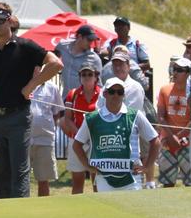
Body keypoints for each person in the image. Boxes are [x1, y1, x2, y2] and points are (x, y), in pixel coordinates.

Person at [0, 2, 62, 199]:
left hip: (18, 116)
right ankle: (6, 214)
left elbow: (56, 64)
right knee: (0, 173)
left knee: (19, 171)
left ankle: (21, 214)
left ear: (9, 21)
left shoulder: (25, 47)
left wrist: (31, 85)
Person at [72, 78, 159, 191]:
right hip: (104, 178)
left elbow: (155, 141)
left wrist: (147, 167)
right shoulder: (92, 118)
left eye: (120, 92)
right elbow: (77, 144)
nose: (116, 95)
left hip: (132, 178)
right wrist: (88, 166)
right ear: (105, 94)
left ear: (124, 95)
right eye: (112, 91)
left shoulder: (135, 115)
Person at [61, 59, 102, 194]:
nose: (86, 77)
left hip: (97, 141)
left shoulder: (103, 95)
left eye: (90, 74)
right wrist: (81, 136)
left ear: (96, 77)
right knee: (77, 181)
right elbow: (68, 119)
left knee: (97, 180)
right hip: (77, 140)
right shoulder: (72, 94)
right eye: (83, 75)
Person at [156, 57, 191, 187]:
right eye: (174, 69)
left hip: (188, 142)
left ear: (189, 73)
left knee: (190, 183)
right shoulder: (164, 90)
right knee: (167, 183)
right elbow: (160, 116)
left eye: (179, 70)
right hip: (167, 141)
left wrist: (179, 137)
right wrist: (172, 137)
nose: (175, 73)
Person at [28, 65, 64, 196]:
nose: (36, 69)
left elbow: (56, 114)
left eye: (39, 67)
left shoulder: (52, 88)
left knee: (43, 179)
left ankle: (43, 206)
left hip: (44, 140)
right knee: (22, 179)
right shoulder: (22, 85)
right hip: (24, 140)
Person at [55, 25, 103, 92]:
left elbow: (99, 85)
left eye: (92, 40)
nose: (91, 43)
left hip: (83, 100)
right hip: (66, 98)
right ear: (80, 37)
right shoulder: (62, 46)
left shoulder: (95, 59)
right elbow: (54, 55)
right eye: (89, 40)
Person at [104, 16, 151, 80]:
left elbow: (147, 65)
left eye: (122, 25)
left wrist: (128, 68)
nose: (120, 27)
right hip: (116, 80)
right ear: (115, 29)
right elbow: (107, 59)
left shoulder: (137, 44)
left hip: (134, 79)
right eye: (117, 25)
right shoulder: (111, 44)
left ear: (128, 28)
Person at [104, 46, 146, 112]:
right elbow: (99, 108)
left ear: (128, 66)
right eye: (115, 65)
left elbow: (130, 115)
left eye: (121, 64)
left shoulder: (135, 88)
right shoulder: (106, 85)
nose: (117, 68)